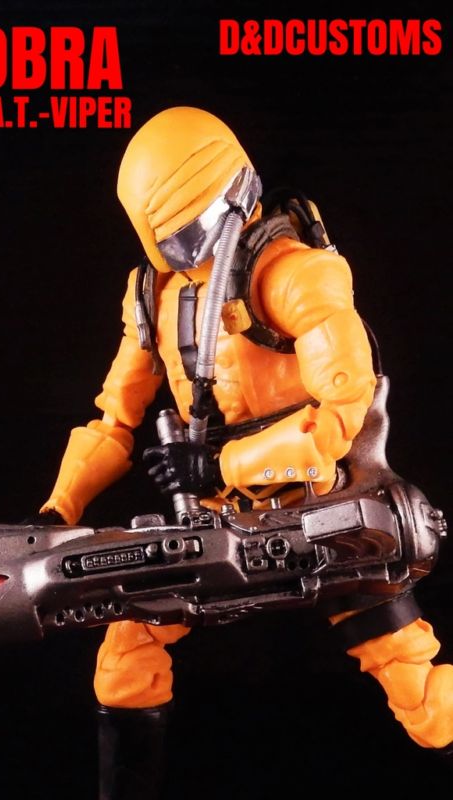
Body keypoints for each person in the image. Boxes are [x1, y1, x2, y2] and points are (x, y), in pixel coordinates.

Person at [36, 107, 453, 797]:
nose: (207, 239)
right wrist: (58, 509)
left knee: (416, 687)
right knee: (126, 658)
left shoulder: (295, 276)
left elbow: (341, 410)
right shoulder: (154, 296)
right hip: (218, 519)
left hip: (327, 513)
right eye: (181, 233)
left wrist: (220, 464)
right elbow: (113, 420)